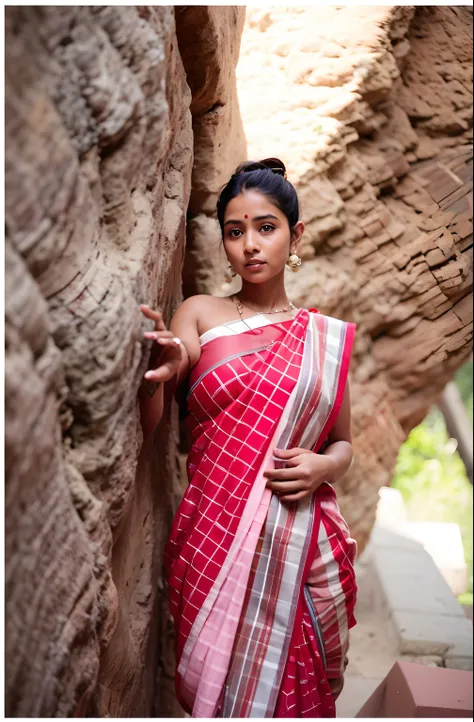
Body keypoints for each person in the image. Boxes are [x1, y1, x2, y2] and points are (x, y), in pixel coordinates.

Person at [139, 158, 357, 718]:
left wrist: (321, 469)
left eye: (266, 227)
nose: (250, 245)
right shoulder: (200, 314)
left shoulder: (321, 341)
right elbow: (153, 424)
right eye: (235, 232)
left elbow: (343, 444)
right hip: (210, 533)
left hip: (296, 537)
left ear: (295, 234)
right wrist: (158, 374)